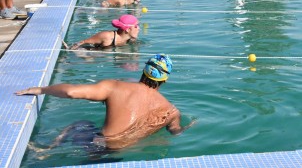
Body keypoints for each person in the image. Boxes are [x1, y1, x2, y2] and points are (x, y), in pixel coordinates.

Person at [16, 54, 196, 150]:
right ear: (164, 80)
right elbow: (175, 133)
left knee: (81, 124)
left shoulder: (115, 87)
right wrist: (190, 125)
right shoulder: (172, 111)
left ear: (144, 70)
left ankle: (48, 149)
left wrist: (40, 89)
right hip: (123, 152)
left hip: (99, 145)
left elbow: (70, 92)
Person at [66, 14, 140, 50]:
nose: (138, 28)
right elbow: (83, 42)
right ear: (127, 29)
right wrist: (69, 50)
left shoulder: (131, 40)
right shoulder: (107, 36)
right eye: (136, 26)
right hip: (86, 52)